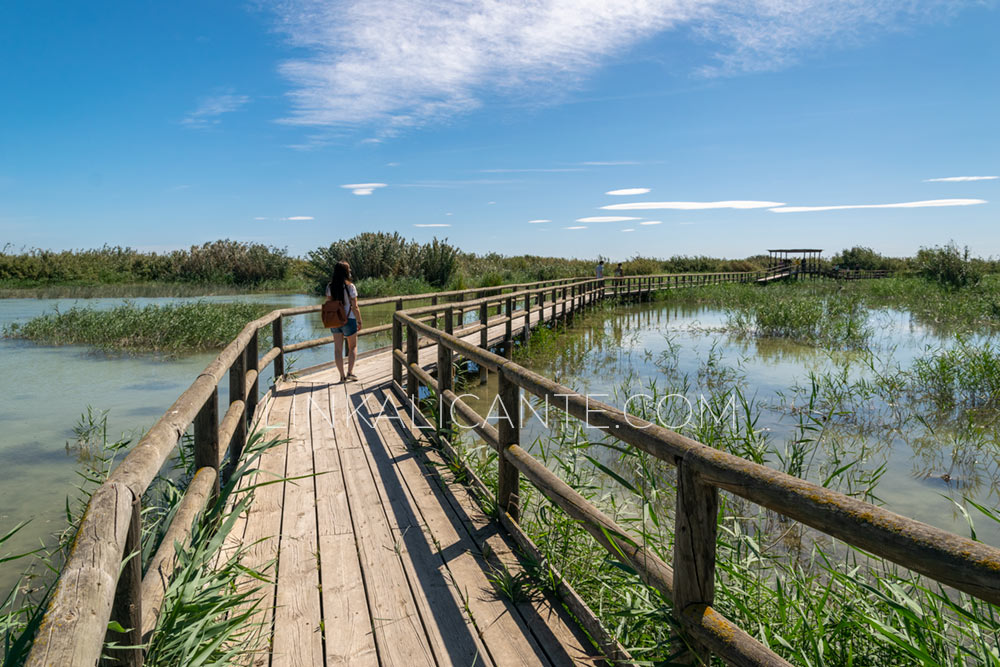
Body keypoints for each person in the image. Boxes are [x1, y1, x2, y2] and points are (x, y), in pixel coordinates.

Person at [325, 261, 363, 383]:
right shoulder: (350, 287)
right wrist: (359, 320)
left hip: (335, 320)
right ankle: (350, 373)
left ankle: (341, 376)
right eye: (349, 269)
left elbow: (329, 304)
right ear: (346, 272)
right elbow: (355, 306)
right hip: (349, 319)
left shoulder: (330, 287)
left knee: (337, 349)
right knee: (353, 347)